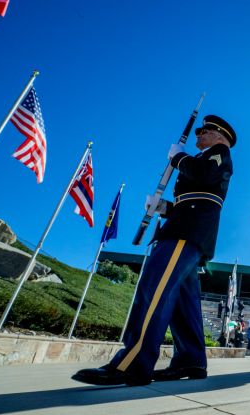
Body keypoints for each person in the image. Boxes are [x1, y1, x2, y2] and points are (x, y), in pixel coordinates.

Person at [72, 115, 236, 386]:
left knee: (153, 291)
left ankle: (133, 362)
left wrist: (179, 158)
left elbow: (204, 177)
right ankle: (190, 359)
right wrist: (165, 208)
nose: (198, 135)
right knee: (184, 304)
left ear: (219, 137)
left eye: (204, 131)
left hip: (186, 232)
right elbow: (197, 196)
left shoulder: (219, 153)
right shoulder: (205, 158)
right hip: (185, 226)